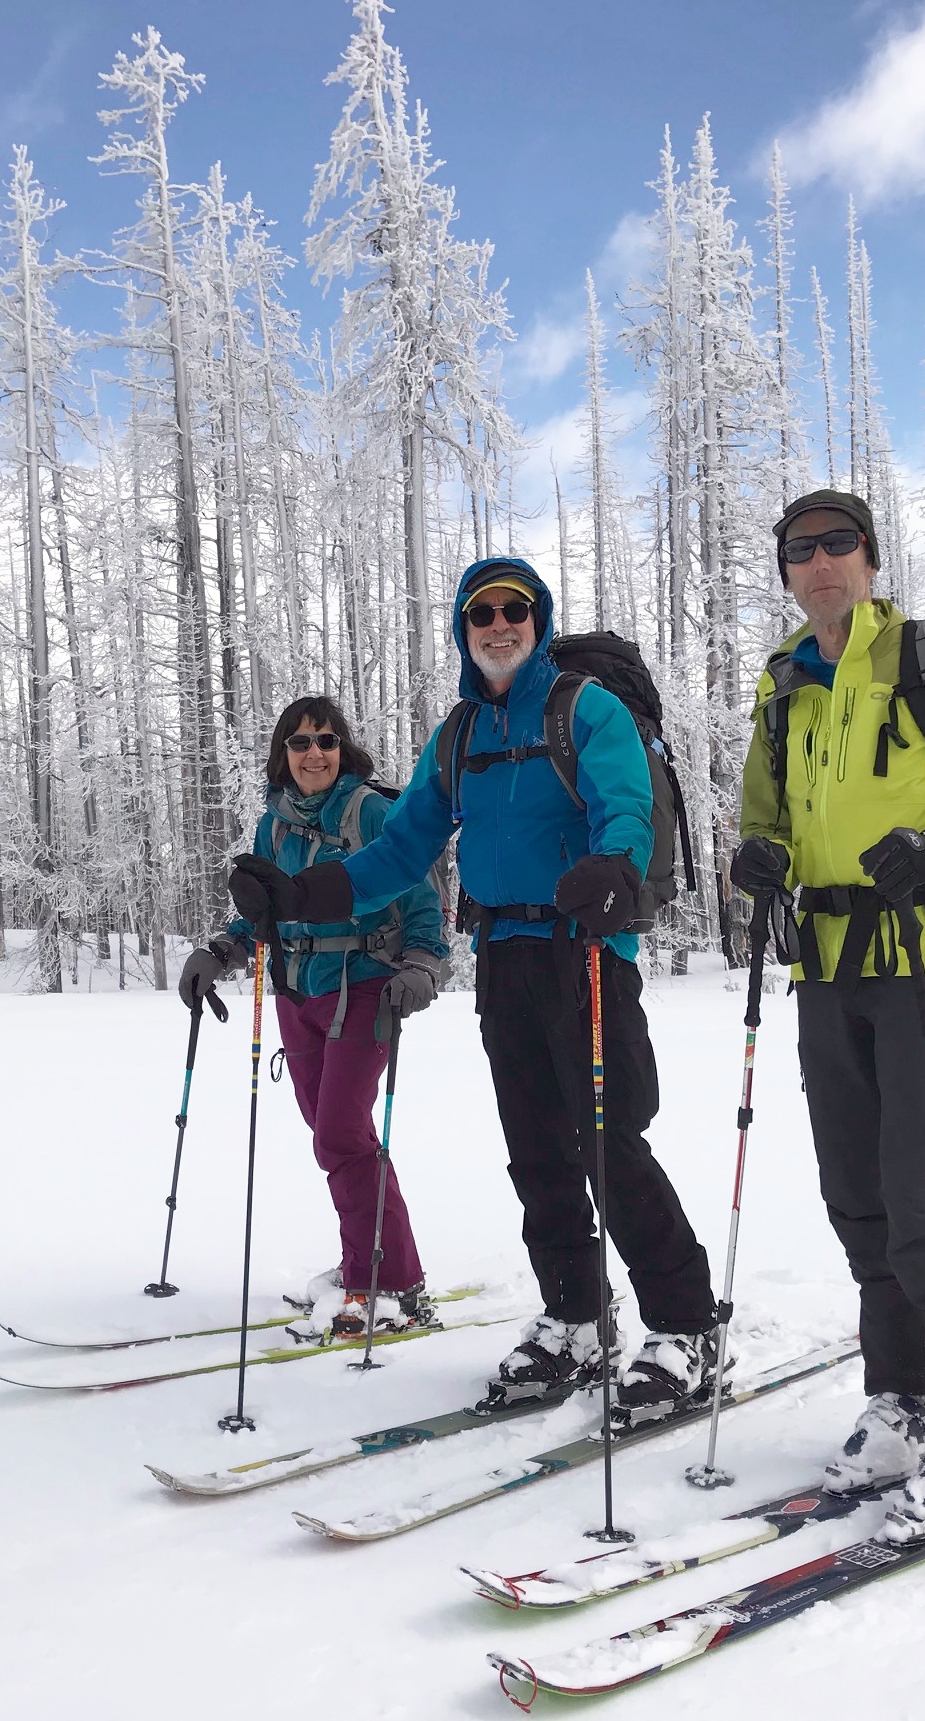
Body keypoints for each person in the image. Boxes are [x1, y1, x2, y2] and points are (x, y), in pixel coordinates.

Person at [227, 559, 718, 1420]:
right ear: (464, 628)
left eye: (515, 610)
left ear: (537, 620)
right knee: (535, 1147)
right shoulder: (459, 736)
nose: (499, 624)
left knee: (610, 1143)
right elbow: (400, 848)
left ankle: (685, 1327)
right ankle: (574, 1316)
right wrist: (299, 897)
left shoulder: (584, 709)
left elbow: (627, 806)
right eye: (482, 612)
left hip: (587, 948)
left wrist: (615, 865)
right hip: (505, 953)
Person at [732, 489, 925, 1540]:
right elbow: (764, 817)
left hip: (924, 951)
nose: (819, 563)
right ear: (785, 571)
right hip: (823, 965)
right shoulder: (784, 687)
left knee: (922, 1192)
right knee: (857, 1195)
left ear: (869, 559)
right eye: (800, 551)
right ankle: (907, 1400)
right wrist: (759, 857)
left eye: (838, 545)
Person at [178, 698, 448, 1338]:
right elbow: (265, 915)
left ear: (342, 748)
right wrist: (222, 951)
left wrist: (424, 965)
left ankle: (378, 1282)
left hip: (365, 987)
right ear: (283, 755)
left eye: (326, 740)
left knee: (341, 1135)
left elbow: (421, 897)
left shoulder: (375, 812)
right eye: (299, 743)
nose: (314, 753)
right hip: (297, 995)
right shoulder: (271, 828)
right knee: (336, 1137)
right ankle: (381, 1267)